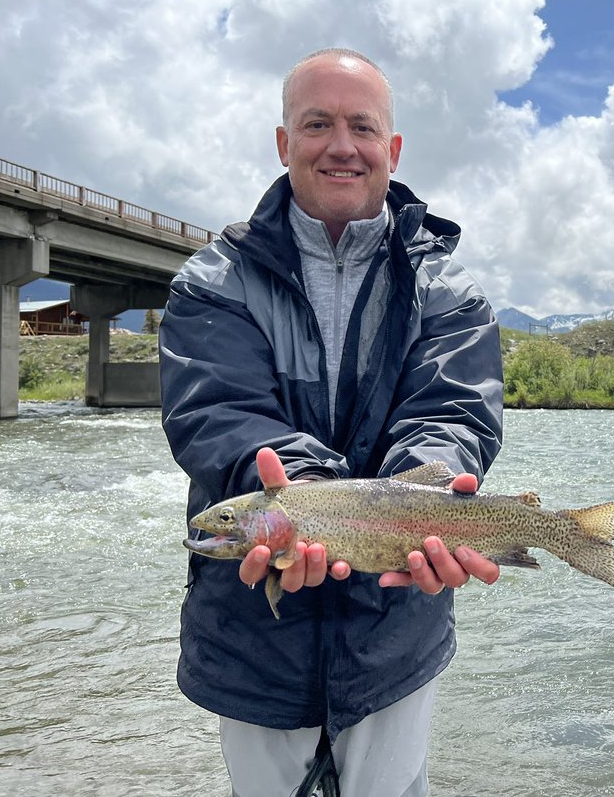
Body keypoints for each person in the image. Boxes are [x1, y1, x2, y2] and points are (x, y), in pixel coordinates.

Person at [159, 47, 504, 797]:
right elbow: (218, 414)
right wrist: (297, 494)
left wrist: (434, 494)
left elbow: (451, 414)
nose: (341, 145)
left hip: (398, 624)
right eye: (317, 124)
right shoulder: (213, 280)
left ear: (393, 148)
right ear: (284, 144)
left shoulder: (450, 288)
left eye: (362, 126)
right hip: (253, 633)